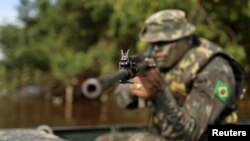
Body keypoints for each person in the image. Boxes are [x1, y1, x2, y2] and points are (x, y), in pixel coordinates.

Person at [95, 9, 246, 141]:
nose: (156, 49)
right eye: (152, 43)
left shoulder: (214, 68)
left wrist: (159, 93)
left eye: (163, 42)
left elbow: (189, 134)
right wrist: (134, 90)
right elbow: (121, 99)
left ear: (187, 38)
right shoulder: (159, 57)